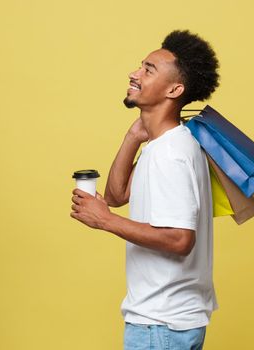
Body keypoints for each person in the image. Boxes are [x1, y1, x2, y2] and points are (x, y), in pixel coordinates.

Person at [70, 29, 220, 350]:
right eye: (141, 66)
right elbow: (116, 194)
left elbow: (180, 239)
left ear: (174, 89)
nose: (134, 74)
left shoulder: (171, 152)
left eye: (148, 70)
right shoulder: (163, 145)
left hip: (160, 325)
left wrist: (105, 220)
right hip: (167, 322)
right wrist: (133, 137)